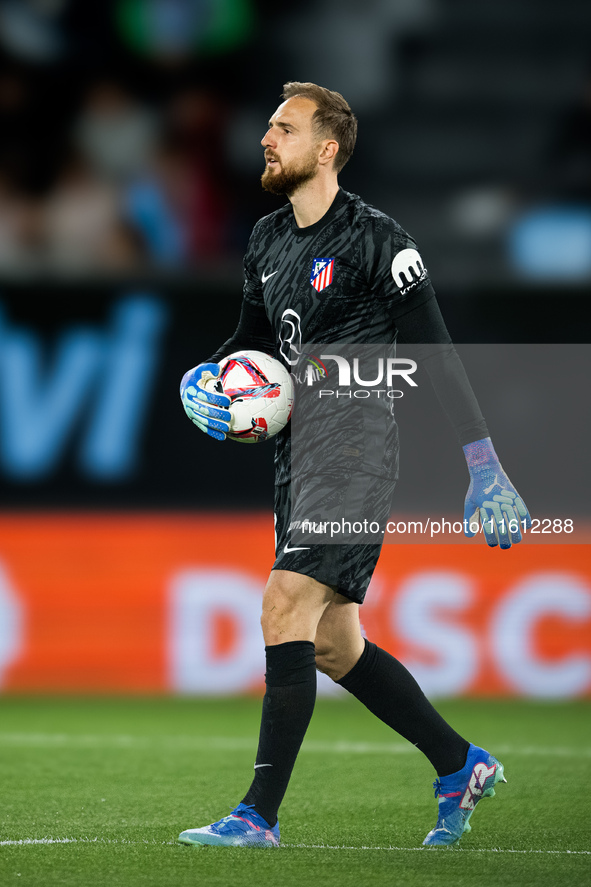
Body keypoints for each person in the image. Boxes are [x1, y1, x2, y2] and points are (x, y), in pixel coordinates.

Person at [178, 82, 530, 849]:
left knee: (281, 603)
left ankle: (256, 815)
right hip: (295, 455)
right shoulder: (267, 240)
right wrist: (206, 380)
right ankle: (457, 761)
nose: (267, 138)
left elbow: (436, 352)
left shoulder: (377, 238)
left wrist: (484, 465)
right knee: (333, 642)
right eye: (268, 126)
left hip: (357, 449)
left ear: (326, 148)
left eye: (284, 127)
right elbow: (251, 343)